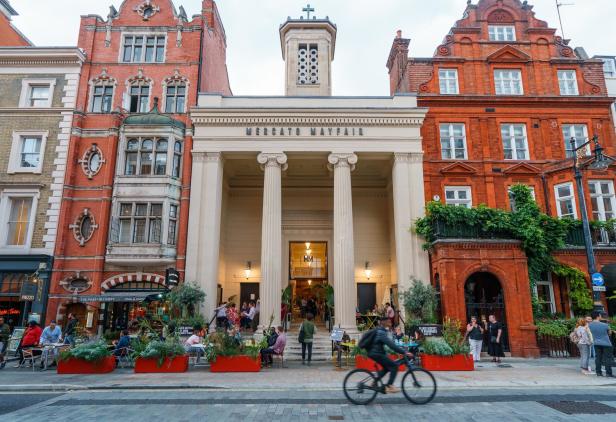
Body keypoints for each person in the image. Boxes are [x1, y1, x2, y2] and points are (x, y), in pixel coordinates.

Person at [367, 316, 413, 394]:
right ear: (384, 323)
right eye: (389, 322)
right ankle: (389, 385)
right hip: (376, 353)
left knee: (387, 368)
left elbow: (390, 344)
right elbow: (391, 345)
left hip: (376, 353)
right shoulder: (381, 332)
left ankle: (374, 382)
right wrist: (404, 352)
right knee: (394, 366)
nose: (390, 323)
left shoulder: (382, 331)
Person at [588, 311, 613, 377]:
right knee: (607, 358)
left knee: (598, 358)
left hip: (596, 343)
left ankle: (598, 372)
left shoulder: (589, 325)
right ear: (598, 316)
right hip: (606, 343)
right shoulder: (605, 325)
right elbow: (609, 333)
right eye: (600, 315)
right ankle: (608, 373)